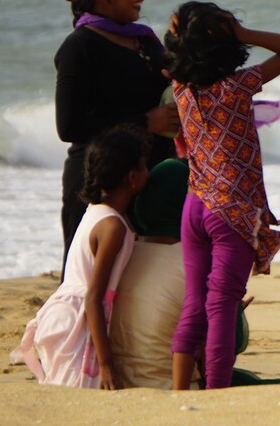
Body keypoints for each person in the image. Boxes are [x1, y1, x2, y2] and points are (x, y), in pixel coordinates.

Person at [162, 1, 280, 390]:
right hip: (232, 210)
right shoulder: (237, 86)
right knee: (222, 304)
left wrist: (180, 30)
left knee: (194, 302)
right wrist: (244, 34)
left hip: (195, 205)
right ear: (227, 44)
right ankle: (215, 395)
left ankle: (179, 392)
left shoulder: (180, 87)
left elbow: (174, 47)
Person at [55, 0, 179, 275]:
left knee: (138, 284)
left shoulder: (146, 41)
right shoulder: (80, 47)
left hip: (147, 178)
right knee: (90, 283)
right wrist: (144, 122)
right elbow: (69, 126)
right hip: (100, 182)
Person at [12, 126, 150, 389]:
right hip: (78, 319)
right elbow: (92, 297)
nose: (148, 173)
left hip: (68, 313)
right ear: (131, 177)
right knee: (77, 393)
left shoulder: (97, 211)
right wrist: (106, 363)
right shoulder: (113, 227)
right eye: (144, 167)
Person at [110, 158, 191, 389]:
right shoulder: (194, 265)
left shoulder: (123, 254)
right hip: (168, 386)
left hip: (117, 384)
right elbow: (218, 350)